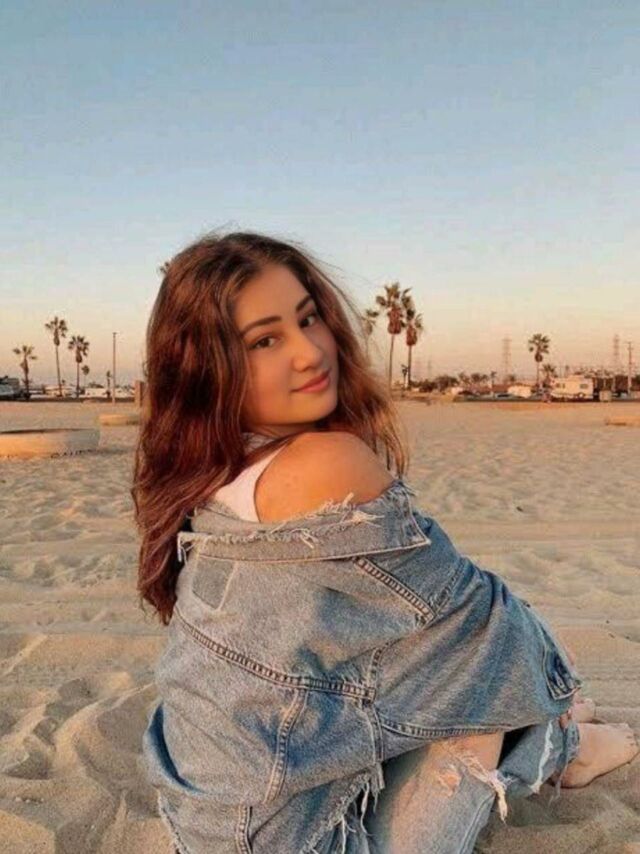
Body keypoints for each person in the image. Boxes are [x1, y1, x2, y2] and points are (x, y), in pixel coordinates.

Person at [134, 231, 638, 854]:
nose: (309, 352)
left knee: (420, 657)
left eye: (307, 319)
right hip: (306, 841)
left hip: (207, 826)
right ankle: (566, 748)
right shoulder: (324, 462)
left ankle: (555, 731)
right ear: (209, 369)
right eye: (264, 341)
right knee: (485, 661)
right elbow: (487, 629)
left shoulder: (209, 469)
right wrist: (554, 692)